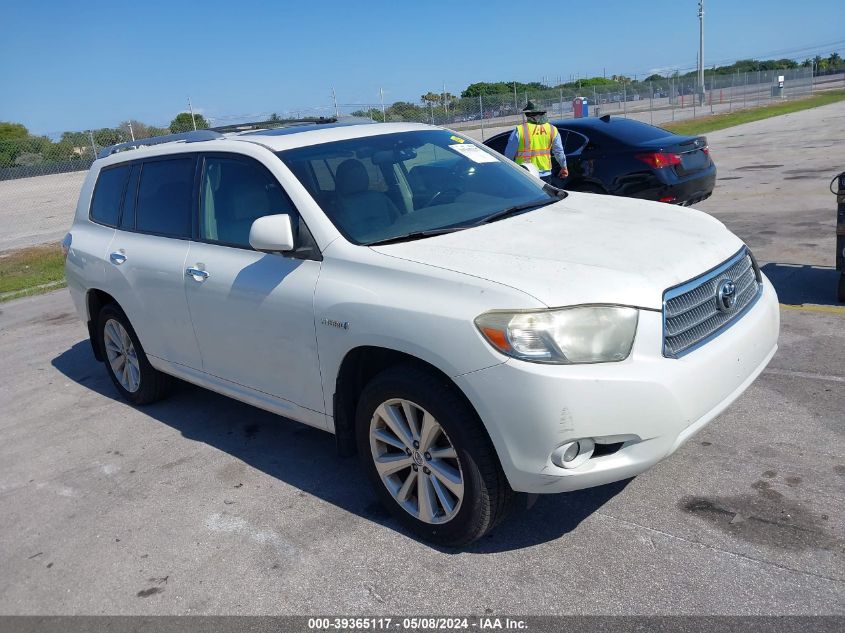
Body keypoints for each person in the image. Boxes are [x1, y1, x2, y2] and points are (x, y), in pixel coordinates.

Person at [504, 101, 568, 180]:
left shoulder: (520, 130)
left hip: (525, 173)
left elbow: (509, 154)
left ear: (528, 115)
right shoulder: (552, 129)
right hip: (545, 174)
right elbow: (559, 152)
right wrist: (564, 167)